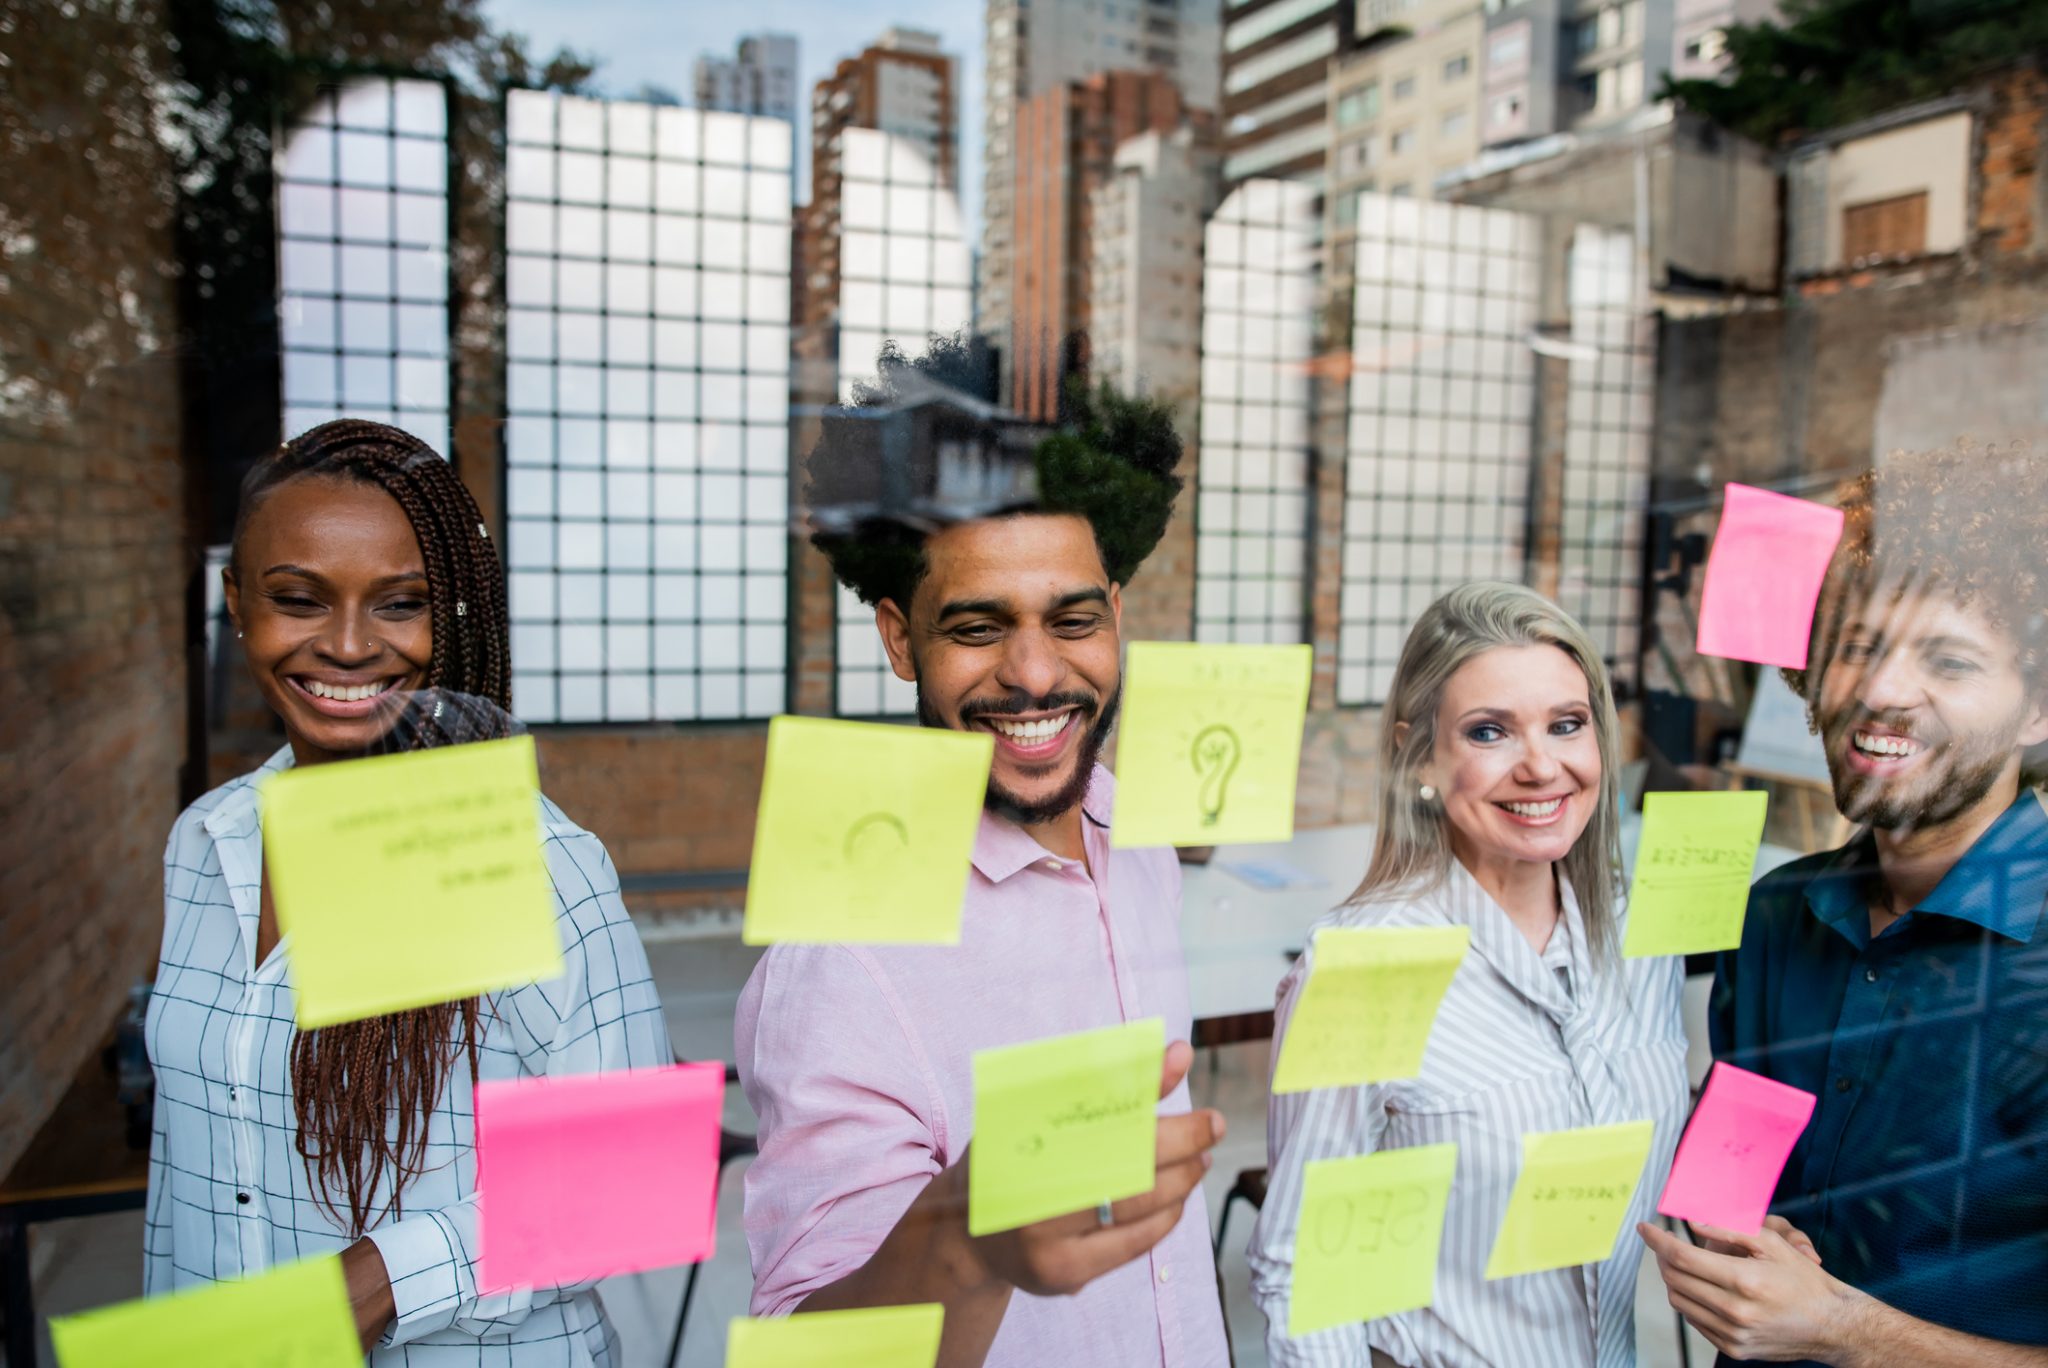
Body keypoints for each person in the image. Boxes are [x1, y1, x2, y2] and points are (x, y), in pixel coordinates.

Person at [734, 339, 1230, 1368]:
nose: (1035, 672)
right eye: (976, 625)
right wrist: (964, 1242)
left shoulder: (1129, 841)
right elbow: (807, 1354)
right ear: (898, 640)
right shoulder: (844, 959)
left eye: (1071, 619)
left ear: (1115, 619)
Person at [144, 420, 671, 1364]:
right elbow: (187, 1172)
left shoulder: (533, 861)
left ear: (453, 619)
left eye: (399, 605)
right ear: (236, 604)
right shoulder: (207, 841)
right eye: (298, 599)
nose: (348, 646)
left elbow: (633, 1182)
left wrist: (377, 1283)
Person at [1641, 445, 2048, 1365]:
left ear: (2038, 709)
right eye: (1857, 647)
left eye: (1948, 659)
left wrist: (1839, 1328)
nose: (1880, 691)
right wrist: (1718, 1235)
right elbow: (1728, 1178)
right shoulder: (1777, 917)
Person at [1250, 581, 1690, 1367]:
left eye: (1567, 725)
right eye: (1490, 732)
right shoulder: (1370, 967)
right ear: (1419, 756)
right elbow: (1309, 1280)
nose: (1542, 766)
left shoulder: (1638, 935)